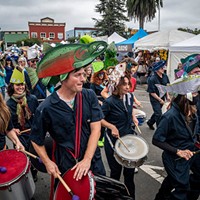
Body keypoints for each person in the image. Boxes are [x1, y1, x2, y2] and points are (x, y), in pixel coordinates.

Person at [29, 41, 107, 193]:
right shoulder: (46, 107)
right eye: (77, 75)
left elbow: (96, 128)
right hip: (66, 163)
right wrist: (48, 163)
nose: (83, 79)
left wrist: (87, 159)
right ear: (63, 78)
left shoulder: (89, 95)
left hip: (93, 160)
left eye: (84, 74)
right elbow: (36, 139)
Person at [152, 75, 200, 200]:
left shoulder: (192, 111)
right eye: (195, 93)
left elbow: (195, 131)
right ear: (186, 96)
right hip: (175, 158)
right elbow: (156, 140)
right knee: (182, 187)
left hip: (191, 153)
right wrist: (178, 151)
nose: (197, 95)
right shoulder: (170, 116)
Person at [101, 70, 139, 200]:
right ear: (117, 85)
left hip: (128, 140)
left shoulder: (130, 97)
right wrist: (111, 127)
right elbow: (99, 119)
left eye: (128, 84)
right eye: (125, 84)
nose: (128, 87)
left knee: (129, 173)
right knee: (115, 173)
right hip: (113, 141)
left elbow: (130, 109)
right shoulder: (109, 102)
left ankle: (130, 197)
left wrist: (133, 117)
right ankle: (114, 197)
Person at [147, 60, 170, 130]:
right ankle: (160, 130)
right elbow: (152, 92)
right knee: (158, 114)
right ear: (157, 69)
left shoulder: (165, 76)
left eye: (163, 67)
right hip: (154, 98)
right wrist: (160, 100)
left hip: (162, 96)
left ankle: (150, 122)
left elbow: (166, 87)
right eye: (161, 68)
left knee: (158, 111)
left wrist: (167, 96)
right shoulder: (152, 79)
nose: (163, 69)